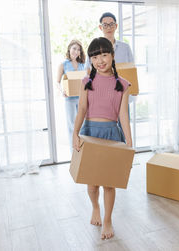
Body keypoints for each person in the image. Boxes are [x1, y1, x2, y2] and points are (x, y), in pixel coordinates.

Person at [72, 37, 132, 240]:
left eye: (104, 54)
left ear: (112, 56)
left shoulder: (122, 84)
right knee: (91, 184)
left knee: (108, 183)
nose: (100, 60)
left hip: (111, 135)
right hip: (90, 133)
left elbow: (123, 115)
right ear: (90, 60)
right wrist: (75, 133)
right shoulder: (86, 82)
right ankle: (95, 207)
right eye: (95, 56)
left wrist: (130, 144)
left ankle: (107, 220)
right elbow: (81, 109)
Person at [56, 39, 86, 148]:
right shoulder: (63, 65)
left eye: (78, 50)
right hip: (70, 99)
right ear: (69, 49)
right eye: (74, 48)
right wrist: (62, 91)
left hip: (82, 98)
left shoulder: (83, 64)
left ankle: (83, 150)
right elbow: (57, 82)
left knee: (83, 125)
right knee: (72, 127)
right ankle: (73, 152)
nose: (76, 51)